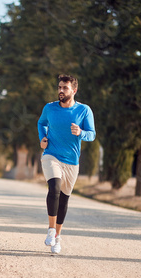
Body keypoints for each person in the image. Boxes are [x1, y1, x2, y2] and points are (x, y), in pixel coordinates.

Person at [37, 74, 96, 254]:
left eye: (65, 88)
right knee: (53, 187)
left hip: (71, 161)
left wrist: (81, 132)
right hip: (51, 155)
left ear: (74, 90)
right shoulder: (50, 108)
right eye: (59, 87)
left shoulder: (84, 110)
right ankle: (50, 230)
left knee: (63, 199)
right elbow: (41, 123)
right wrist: (43, 138)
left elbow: (92, 134)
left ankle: (57, 237)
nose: (61, 91)